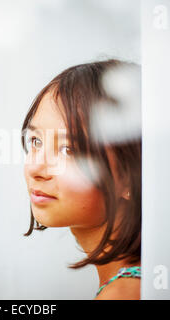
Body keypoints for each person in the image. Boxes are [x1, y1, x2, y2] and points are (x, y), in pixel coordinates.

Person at [22, 59, 141, 300]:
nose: (35, 167)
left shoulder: (122, 295)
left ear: (130, 176)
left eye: (69, 150)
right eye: (36, 141)